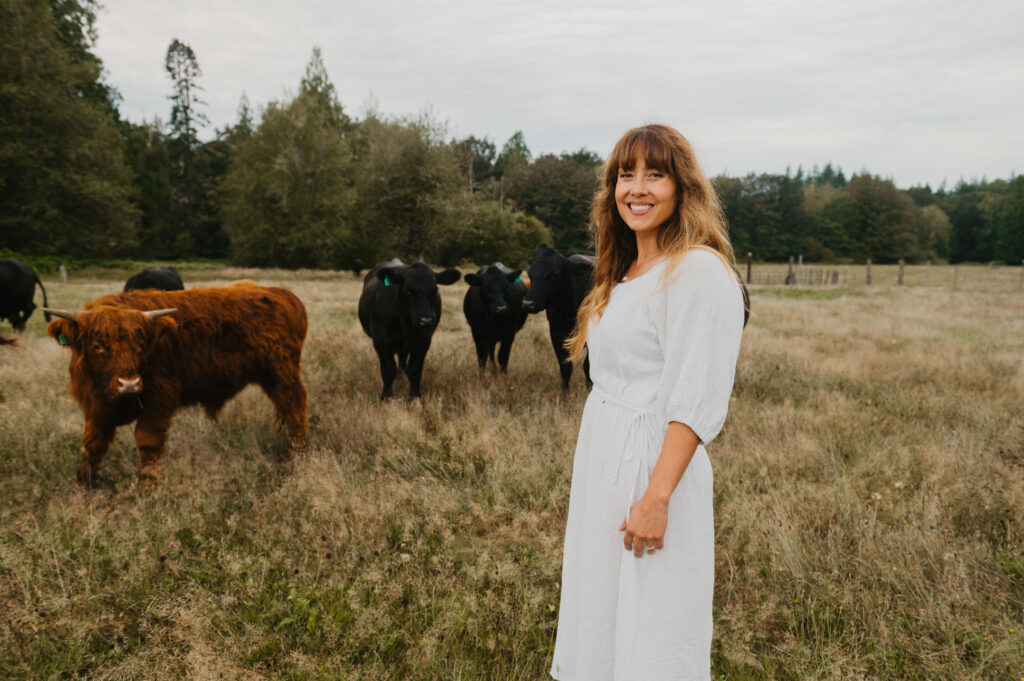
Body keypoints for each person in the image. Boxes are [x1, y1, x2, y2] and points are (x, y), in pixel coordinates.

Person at [550, 124, 746, 681]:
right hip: (605, 458)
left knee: (654, 616)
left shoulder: (698, 271)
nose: (636, 188)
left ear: (682, 187)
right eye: (624, 175)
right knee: (603, 605)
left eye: (654, 174)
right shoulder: (623, 271)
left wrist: (656, 496)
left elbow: (696, 395)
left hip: (654, 466)